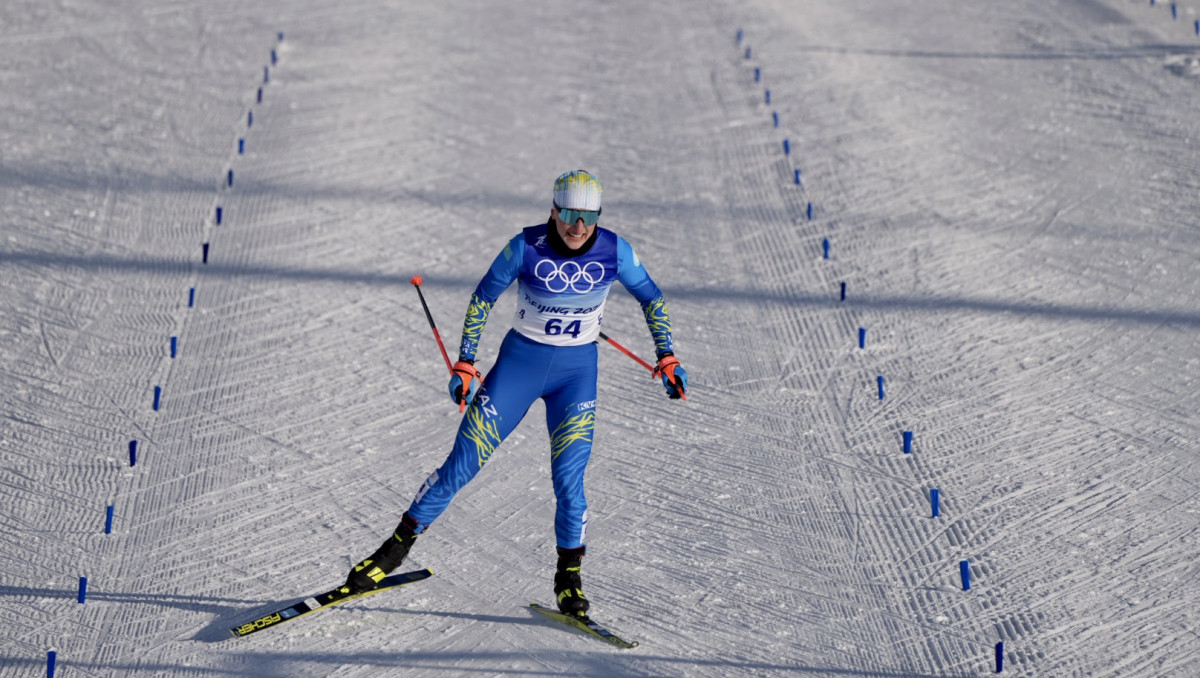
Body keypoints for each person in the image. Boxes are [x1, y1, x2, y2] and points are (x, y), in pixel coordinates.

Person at [341, 169, 687, 618]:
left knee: (569, 481)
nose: (577, 227)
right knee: (460, 466)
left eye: (587, 216)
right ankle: (392, 553)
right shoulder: (524, 246)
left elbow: (652, 298)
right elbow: (483, 297)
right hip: (518, 369)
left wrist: (668, 355)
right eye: (568, 214)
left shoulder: (615, 250)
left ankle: (569, 580)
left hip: (575, 377)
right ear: (553, 210)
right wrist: (466, 361)